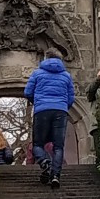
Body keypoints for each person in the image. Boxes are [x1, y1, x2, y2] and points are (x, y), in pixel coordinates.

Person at [23, 56, 76, 188]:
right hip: (60, 111)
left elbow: (28, 92)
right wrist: (63, 106)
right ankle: (55, 176)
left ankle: (45, 162)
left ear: (45, 59)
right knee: (58, 146)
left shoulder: (37, 73)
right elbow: (71, 97)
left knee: (37, 144)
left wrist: (38, 103)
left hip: (42, 111)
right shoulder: (66, 75)